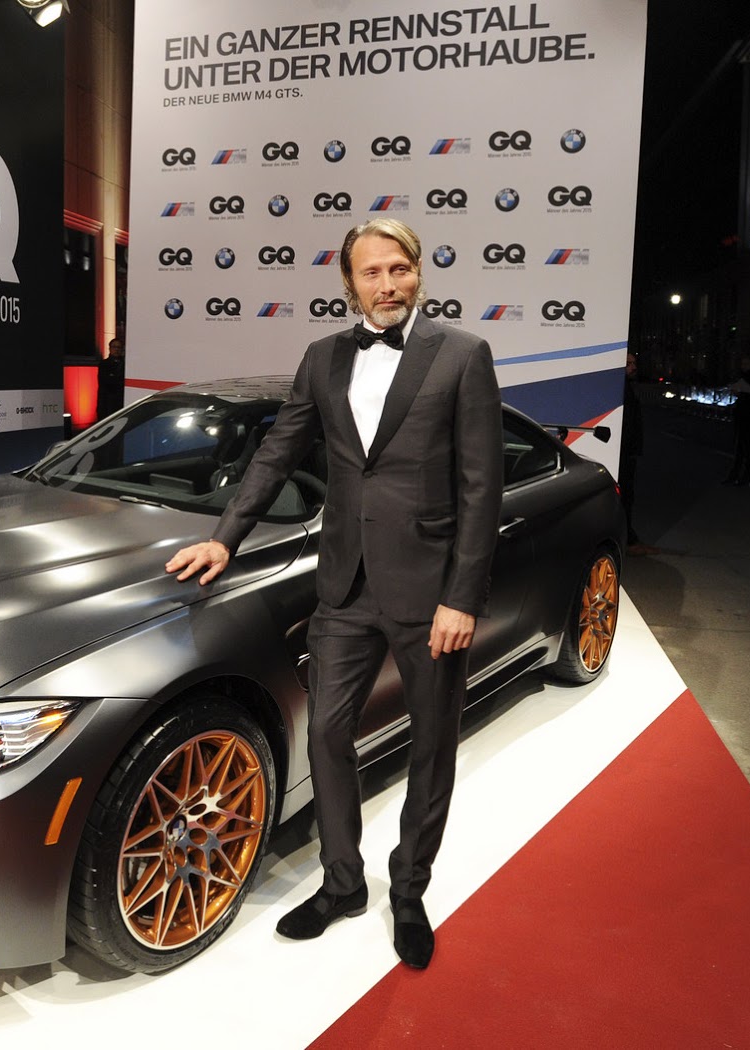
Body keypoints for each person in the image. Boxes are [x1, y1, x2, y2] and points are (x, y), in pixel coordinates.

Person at [165, 218, 502, 970]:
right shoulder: (323, 358)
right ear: (349, 283)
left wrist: (462, 596)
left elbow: (482, 487)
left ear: (419, 271)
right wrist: (226, 536)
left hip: (430, 592)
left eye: (399, 269)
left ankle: (408, 890)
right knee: (324, 735)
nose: (387, 285)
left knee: (432, 744)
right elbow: (277, 453)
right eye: (371, 273)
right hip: (344, 584)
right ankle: (343, 883)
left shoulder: (462, 355)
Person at [619, 351, 650, 550]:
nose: (633, 367)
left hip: (627, 450)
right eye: (629, 363)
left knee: (627, 495)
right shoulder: (622, 389)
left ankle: (628, 536)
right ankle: (628, 538)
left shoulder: (627, 387)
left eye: (634, 363)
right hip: (625, 451)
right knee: (626, 494)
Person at [725, 355, 750, 485]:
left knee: (746, 449)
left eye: (747, 364)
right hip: (745, 417)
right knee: (742, 448)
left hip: (749, 417)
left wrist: (740, 393)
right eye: (743, 364)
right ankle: (738, 475)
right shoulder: (747, 378)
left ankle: (744, 476)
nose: (744, 366)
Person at [97, 336, 126, 418]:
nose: (116, 349)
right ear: (110, 348)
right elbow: (106, 382)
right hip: (107, 401)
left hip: (121, 401)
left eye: (119, 347)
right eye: (114, 347)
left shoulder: (125, 364)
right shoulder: (104, 364)